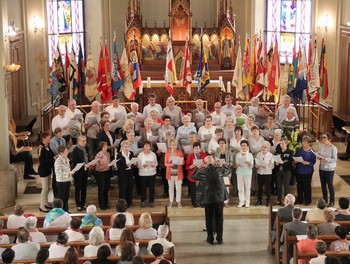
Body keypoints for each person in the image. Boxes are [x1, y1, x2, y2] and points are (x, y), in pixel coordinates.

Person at [192, 156, 231, 244]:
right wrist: (221, 165)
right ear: (214, 162)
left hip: (207, 198)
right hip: (219, 197)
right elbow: (228, 171)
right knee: (219, 217)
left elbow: (193, 176)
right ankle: (220, 238)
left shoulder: (202, 171)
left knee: (208, 218)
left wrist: (197, 167)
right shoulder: (219, 170)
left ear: (205, 163)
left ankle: (210, 238)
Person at [295, 136, 316, 205]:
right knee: (299, 186)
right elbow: (295, 157)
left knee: (307, 186)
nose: (303, 144)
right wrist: (295, 161)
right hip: (299, 170)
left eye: (305, 142)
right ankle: (300, 199)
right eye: (302, 142)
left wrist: (308, 163)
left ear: (308, 143)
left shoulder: (312, 151)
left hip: (307, 171)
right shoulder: (299, 150)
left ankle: (307, 200)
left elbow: (313, 161)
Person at [318, 132, 337, 207]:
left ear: (329, 139)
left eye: (325, 138)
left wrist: (326, 159)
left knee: (330, 185)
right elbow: (321, 154)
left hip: (329, 169)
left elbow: (334, 159)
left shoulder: (333, 148)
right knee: (323, 185)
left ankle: (332, 201)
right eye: (322, 138)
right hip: (322, 168)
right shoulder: (322, 146)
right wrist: (319, 156)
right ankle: (325, 200)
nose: (323, 139)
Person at [72, 135, 90, 211]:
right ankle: (78, 204)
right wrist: (84, 165)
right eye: (82, 141)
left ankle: (83, 203)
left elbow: (87, 158)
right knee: (78, 189)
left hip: (85, 171)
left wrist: (89, 164)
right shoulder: (75, 150)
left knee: (84, 188)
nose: (84, 142)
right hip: (78, 172)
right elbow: (75, 162)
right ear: (78, 141)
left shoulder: (86, 148)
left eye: (85, 141)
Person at [137, 141, 158, 208]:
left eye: (148, 146)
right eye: (145, 146)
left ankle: (151, 201)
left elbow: (156, 163)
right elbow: (138, 165)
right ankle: (143, 201)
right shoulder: (140, 154)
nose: (147, 147)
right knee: (143, 188)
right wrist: (143, 166)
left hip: (152, 173)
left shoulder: (153, 154)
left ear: (150, 147)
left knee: (152, 188)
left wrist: (153, 165)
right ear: (143, 147)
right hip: (143, 174)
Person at [164, 139, 184, 208]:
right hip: (170, 173)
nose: (174, 146)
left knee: (178, 188)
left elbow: (183, 162)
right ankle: (171, 202)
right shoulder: (167, 153)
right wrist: (170, 165)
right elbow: (165, 163)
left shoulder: (180, 152)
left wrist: (180, 162)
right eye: (173, 145)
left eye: (175, 145)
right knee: (171, 188)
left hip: (178, 173)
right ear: (170, 146)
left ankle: (178, 202)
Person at [186, 142, 207, 207]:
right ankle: (194, 203)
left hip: (202, 175)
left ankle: (202, 202)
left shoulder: (204, 155)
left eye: (198, 148)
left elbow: (207, 164)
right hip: (192, 175)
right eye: (195, 148)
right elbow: (187, 167)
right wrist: (191, 166)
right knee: (193, 190)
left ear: (200, 149)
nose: (197, 150)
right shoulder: (190, 156)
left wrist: (205, 165)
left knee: (202, 190)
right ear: (193, 149)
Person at [213, 137, 233, 207]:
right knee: (219, 186)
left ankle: (226, 202)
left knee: (226, 186)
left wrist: (227, 164)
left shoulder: (229, 151)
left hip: (226, 170)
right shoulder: (217, 151)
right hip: (219, 170)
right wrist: (217, 162)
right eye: (220, 143)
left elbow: (231, 163)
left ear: (225, 144)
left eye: (223, 143)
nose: (221, 144)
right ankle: (220, 201)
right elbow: (214, 161)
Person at [38, 132, 55, 212]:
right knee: (44, 188)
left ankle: (46, 202)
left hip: (48, 169)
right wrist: (52, 159)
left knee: (47, 187)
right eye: (48, 137)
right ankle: (42, 206)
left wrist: (55, 157)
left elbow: (51, 156)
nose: (49, 138)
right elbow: (42, 160)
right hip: (43, 170)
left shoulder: (48, 147)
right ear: (43, 138)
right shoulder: (41, 147)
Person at [255, 141, 274, 207]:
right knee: (259, 187)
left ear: (268, 148)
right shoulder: (258, 154)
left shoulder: (270, 155)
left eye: (265, 147)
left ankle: (268, 201)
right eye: (263, 147)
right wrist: (257, 165)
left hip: (267, 173)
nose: (263, 148)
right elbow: (256, 163)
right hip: (260, 172)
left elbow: (272, 165)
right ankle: (259, 200)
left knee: (268, 188)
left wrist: (266, 166)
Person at [275, 137, 293, 205]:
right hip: (279, 170)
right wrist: (276, 163)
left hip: (286, 171)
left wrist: (284, 163)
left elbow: (290, 161)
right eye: (280, 144)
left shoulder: (289, 152)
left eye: (282, 143)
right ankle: (279, 199)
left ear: (286, 144)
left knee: (286, 186)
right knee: (279, 186)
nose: (281, 145)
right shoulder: (278, 152)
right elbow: (276, 159)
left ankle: (286, 200)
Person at [235, 140, 254, 208]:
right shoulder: (238, 154)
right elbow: (236, 164)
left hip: (248, 173)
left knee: (247, 188)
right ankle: (241, 202)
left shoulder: (250, 155)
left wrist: (249, 164)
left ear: (247, 146)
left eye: (244, 145)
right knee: (240, 188)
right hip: (239, 172)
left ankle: (247, 202)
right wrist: (237, 165)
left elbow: (252, 165)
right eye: (242, 145)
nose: (243, 147)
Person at [54, 145, 73, 212]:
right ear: (61, 153)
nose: (67, 152)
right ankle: (60, 212)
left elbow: (68, 169)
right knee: (61, 198)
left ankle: (66, 211)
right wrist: (69, 173)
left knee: (66, 197)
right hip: (61, 181)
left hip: (67, 180)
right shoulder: (58, 161)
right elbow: (59, 173)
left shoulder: (66, 159)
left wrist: (71, 179)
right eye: (66, 151)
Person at [94, 141, 112, 210]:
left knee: (106, 188)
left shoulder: (108, 154)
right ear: (101, 147)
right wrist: (105, 166)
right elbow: (97, 166)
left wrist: (109, 165)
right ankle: (101, 205)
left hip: (107, 172)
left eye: (106, 146)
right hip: (100, 173)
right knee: (101, 189)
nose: (106, 148)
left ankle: (106, 203)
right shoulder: (98, 155)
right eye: (104, 147)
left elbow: (109, 163)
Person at [117, 141, 135, 207]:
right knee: (122, 189)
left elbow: (133, 163)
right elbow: (118, 165)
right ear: (122, 147)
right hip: (122, 174)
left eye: (127, 147)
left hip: (130, 173)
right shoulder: (119, 154)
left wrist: (133, 164)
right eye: (125, 147)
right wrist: (126, 165)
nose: (126, 148)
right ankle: (122, 205)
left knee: (129, 188)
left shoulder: (131, 153)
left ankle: (129, 203)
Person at [50, 127, 66, 198]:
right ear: (56, 134)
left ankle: (61, 191)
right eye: (59, 133)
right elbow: (54, 150)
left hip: (63, 158)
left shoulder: (63, 140)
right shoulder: (52, 141)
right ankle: (55, 193)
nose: (61, 134)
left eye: (61, 133)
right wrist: (59, 154)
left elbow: (64, 148)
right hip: (55, 158)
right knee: (55, 176)